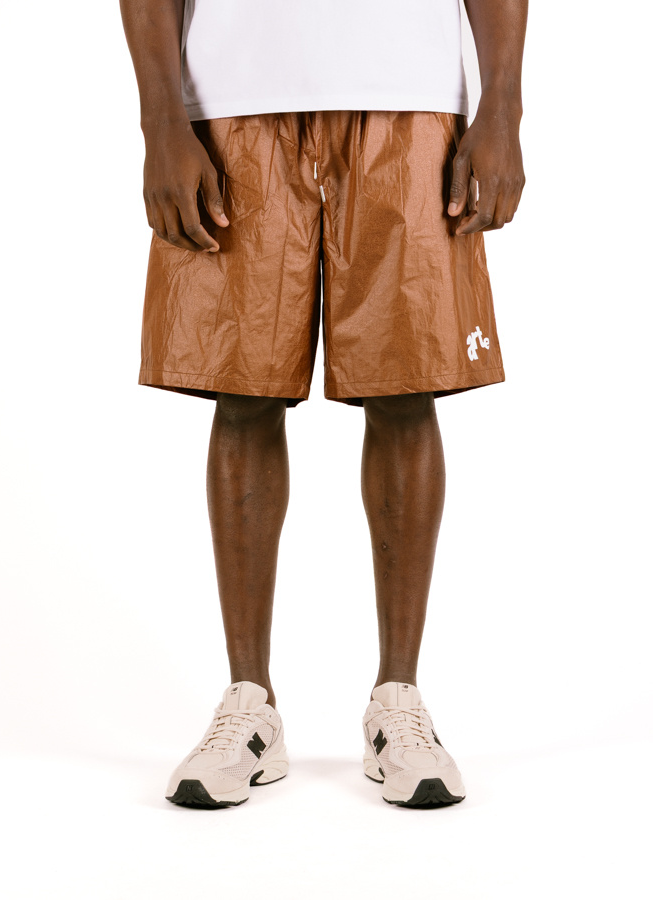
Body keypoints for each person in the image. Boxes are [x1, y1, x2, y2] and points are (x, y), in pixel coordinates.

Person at [120, 0, 527, 809]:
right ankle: (249, 704)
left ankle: (398, 702)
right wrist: (160, 122)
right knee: (241, 392)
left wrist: (503, 108)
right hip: (230, 101)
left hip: (410, 97)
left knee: (406, 390)